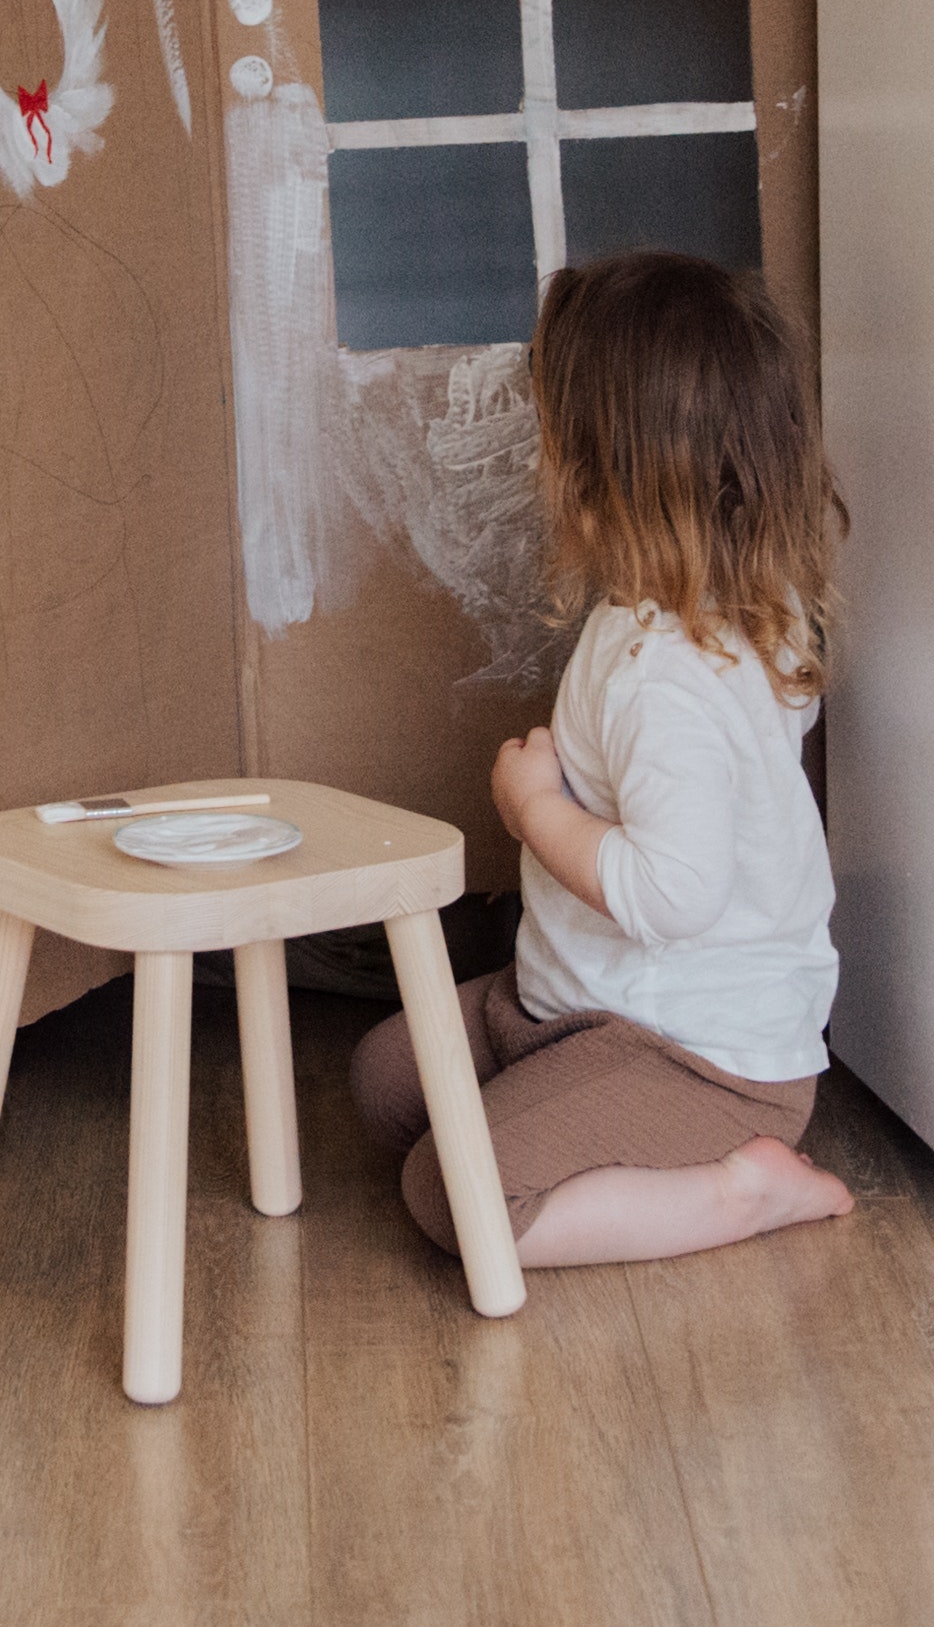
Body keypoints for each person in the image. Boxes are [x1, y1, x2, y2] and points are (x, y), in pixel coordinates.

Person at [353, 249, 858, 1264]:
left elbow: (672, 894)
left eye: (547, 438)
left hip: (696, 1057)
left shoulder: (669, 680)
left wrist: (532, 804)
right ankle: (571, 1126)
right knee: (383, 1078)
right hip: (578, 1000)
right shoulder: (695, 617)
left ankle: (740, 1188)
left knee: (456, 1196)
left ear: (595, 477)